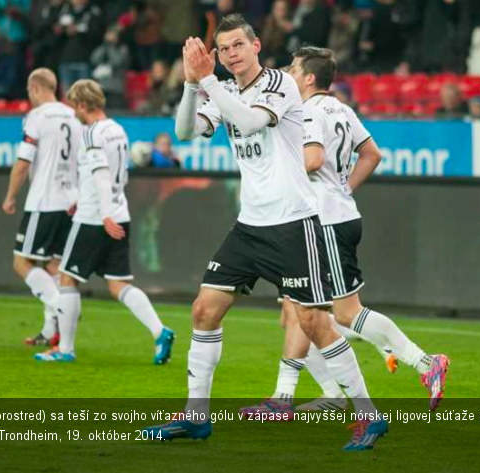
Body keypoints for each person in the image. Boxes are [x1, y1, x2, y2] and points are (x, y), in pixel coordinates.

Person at [143, 15, 387, 451]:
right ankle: (196, 418)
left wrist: (209, 83)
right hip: (250, 225)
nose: (231, 53)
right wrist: (189, 85)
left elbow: (252, 122)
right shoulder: (224, 91)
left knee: (313, 322)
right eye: (224, 48)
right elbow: (183, 132)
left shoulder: (281, 84)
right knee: (204, 310)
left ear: (257, 46)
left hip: (295, 222)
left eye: (239, 44)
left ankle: (369, 416)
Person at [239, 46, 450, 416]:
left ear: (308, 78)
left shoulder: (306, 111)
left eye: (294, 67)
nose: (288, 72)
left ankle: (424, 362)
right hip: (331, 214)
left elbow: (314, 159)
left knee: (347, 313)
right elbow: (373, 154)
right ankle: (317, 395)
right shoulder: (342, 108)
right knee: (294, 312)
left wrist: (282, 170)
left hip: (325, 222)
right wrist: (345, 188)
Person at [36, 79, 175, 365]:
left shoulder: (91, 133)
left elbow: (101, 174)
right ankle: (160, 331)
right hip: (119, 212)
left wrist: (104, 214)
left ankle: (66, 348)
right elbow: (117, 175)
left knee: (67, 278)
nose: (73, 111)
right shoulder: (118, 130)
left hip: (95, 217)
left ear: (83, 105)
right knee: (118, 284)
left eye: (74, 105)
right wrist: (110, 209)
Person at [2, 68, 82, 348]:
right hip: (71, 202)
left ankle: (61, 305)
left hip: (44, 201)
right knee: (54, 265)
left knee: (22, 262)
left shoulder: (37, 117)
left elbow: (24, 162)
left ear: (35, 88)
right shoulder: (73, 115)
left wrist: (11, 195)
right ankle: (51, 331)